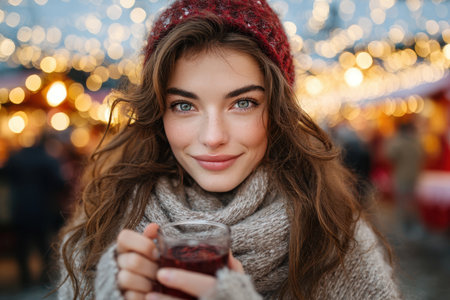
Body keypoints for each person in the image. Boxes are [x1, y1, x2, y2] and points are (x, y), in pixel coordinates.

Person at [57, 1, 401, 299]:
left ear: (279, 110)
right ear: (157, 112)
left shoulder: (335, 233)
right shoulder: (101, 226)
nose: (213, 137)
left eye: (243, 102)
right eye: (183, 106)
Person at [384, 121, 424, 238]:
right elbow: (423, 156)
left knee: (403, 203)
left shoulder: (399, 142)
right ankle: (412, 227)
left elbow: (389, 155)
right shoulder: (417, 141)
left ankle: (404, 228)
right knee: (412, 203)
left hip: (401, 177)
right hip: (413, 176)